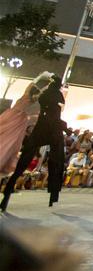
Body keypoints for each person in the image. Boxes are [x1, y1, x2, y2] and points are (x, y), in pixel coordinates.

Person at [1, 74, 67, 211]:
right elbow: (54, 112)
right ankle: (53, 195)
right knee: (57, 161)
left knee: (22, 160)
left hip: (40, 128)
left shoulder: (42, 96)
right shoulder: (56, 97)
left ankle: (8, 190)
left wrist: (44, 77)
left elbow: (40, 101)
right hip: (52, 130)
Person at [0, 73, 50, 174]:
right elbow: (42, 93)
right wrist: (48, 85)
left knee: (5, 137)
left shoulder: (27, 94)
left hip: (11, 115)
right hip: (19, 119)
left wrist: (40, 77)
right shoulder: (33, 97)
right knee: (10, 141)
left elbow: (32, 84)